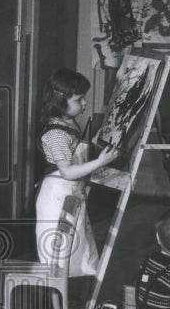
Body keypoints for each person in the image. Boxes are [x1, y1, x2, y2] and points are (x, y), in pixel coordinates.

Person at [36, 69, 119, 277]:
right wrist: (100, 161)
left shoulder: (68, 121)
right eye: (79, 99)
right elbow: (67, 172)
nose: (84, 104)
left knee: (73, 248)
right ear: (60, 100)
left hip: (69, 193)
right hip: (57, 195)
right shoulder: (56, 132)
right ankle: (55, 296)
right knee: (59, 252)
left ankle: (63, 292)